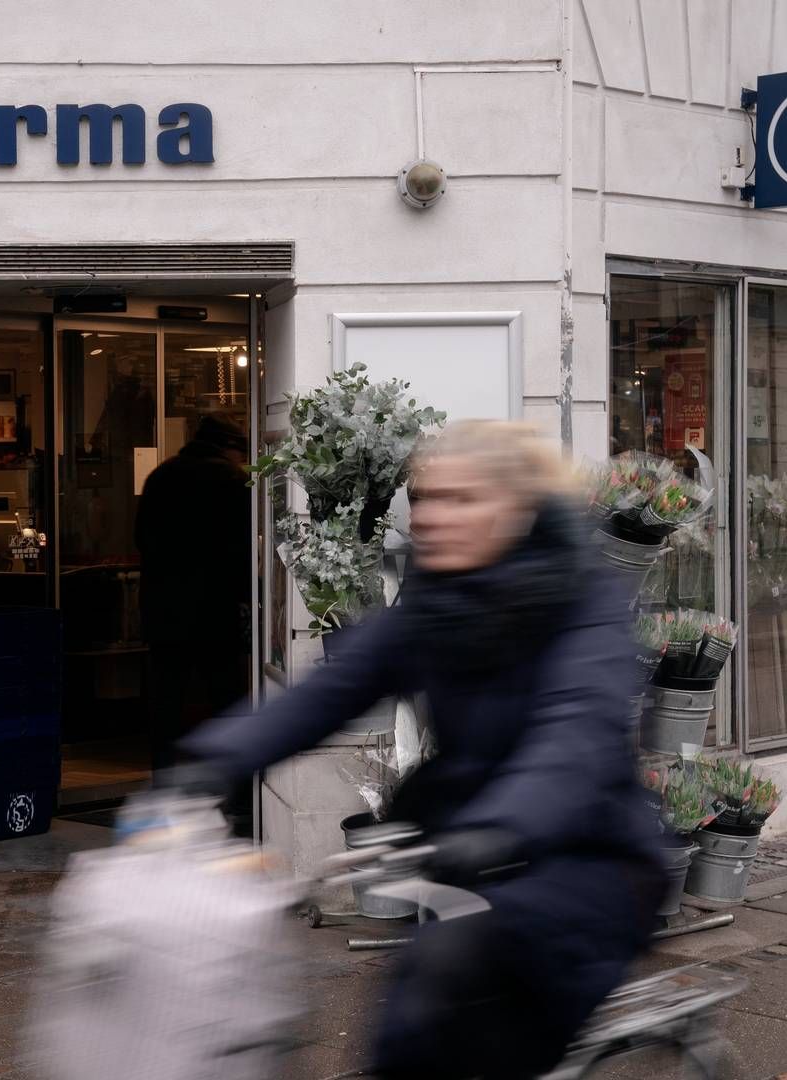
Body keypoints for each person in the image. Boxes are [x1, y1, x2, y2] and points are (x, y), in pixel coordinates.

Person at [179, 421, 665, 1079]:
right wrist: (209, 762)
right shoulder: (435, 602)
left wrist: (500, 826)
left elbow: (573, 735)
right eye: (428, 497)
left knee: (461, 1006)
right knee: (405, 1029)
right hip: (476, 854)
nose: (432, 517)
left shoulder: (583, 603)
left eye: (461, 500)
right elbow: (332, 691)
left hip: (588, 860)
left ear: (516, 510)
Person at [136, 416, 251, 777]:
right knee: (227, 697)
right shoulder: (231, 480)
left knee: (166, 697)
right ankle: (235, 782)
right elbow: (240, 547)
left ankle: (163, 773)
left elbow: (142, 538)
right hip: (214, 607)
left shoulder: (161, 475)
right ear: (229, 447)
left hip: (163, 607)